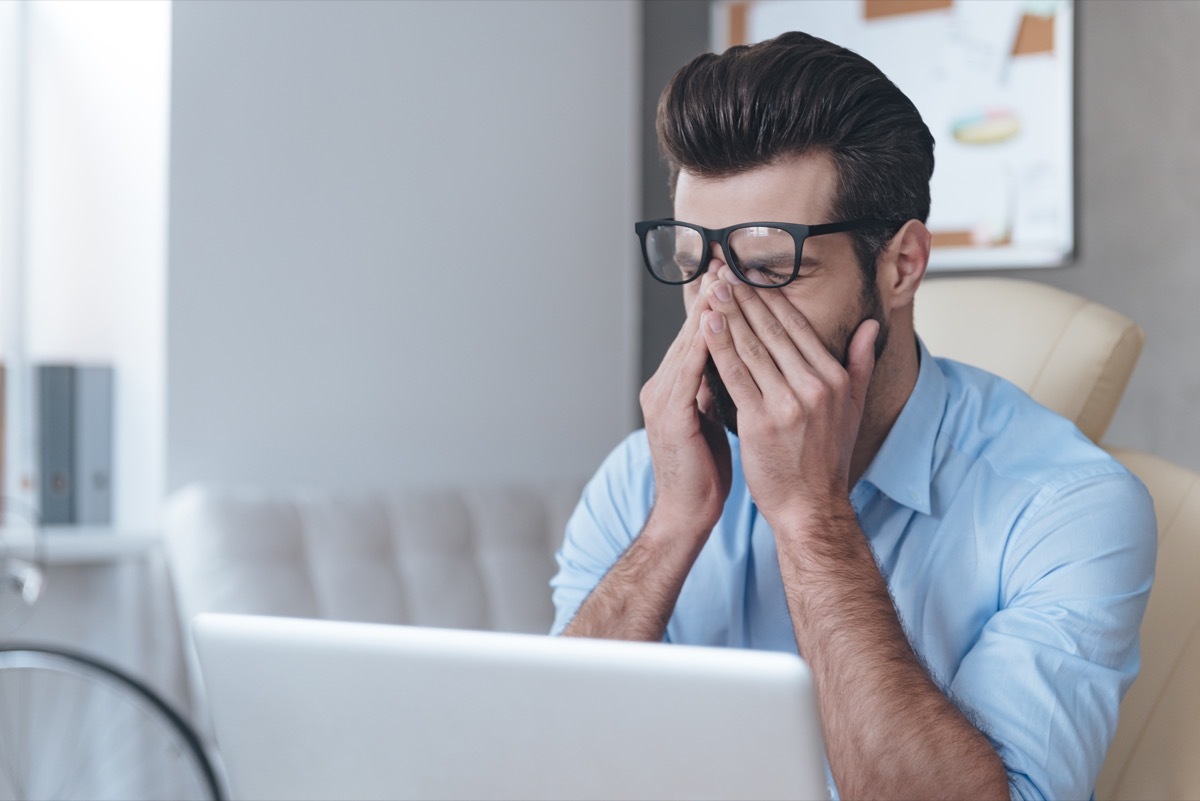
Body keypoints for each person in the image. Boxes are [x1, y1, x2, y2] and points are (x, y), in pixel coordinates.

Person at [550, 31, 1156, 801]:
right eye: (693, 261)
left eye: (769, 269)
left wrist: (812, 518)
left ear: (901, 264)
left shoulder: (1068, 508)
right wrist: (672, 526)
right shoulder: (645, 479)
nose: (717, 311)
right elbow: (545, 765)